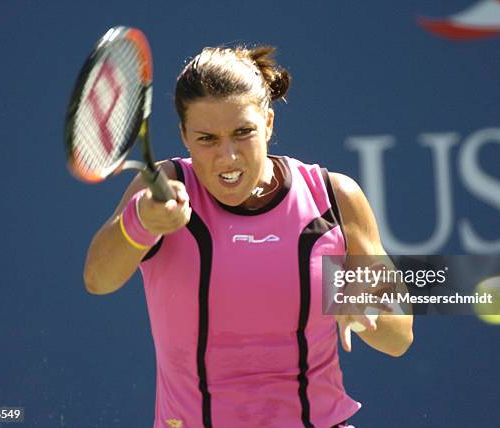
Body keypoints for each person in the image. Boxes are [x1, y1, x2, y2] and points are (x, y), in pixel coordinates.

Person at [84, 45, 413, 428]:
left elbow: (400, 337)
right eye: (207, 138)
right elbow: (97, 279)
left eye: (243, 133)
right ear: (184, 136)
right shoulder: (161, 188)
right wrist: (142, 220)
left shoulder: (335, 197)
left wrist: (364, 304)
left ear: (269, 124)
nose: (228, 156)